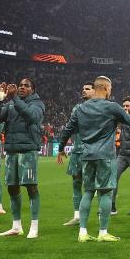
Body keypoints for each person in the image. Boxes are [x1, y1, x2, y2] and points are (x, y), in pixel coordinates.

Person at [58, 76, 130, 242]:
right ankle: (103, 232)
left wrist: (60, 148)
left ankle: (82, 232)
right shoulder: (112, 107)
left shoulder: (80, 108)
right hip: (105, 156)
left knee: (88, 191)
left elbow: (68, 129)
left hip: (86, 156)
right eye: (110, 89)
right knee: (105, 192)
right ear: (106, 88)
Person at [0, 78, 45, 239]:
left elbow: (31, 117)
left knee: (31, 187)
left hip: (28, 151)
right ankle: (16, 226)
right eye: (20, 85)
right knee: (12, 188)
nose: (22, 87)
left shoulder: (38, 104)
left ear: (32, 90)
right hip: (11, 150)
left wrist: (14, 97)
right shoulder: (10, 104)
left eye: (26, 86)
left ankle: (34, 227)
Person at [57, 82, 94, 226]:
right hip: (78, 152)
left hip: (94, 153)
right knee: (76, 183)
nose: (83, 90)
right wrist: (61, 147)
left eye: (87, 89)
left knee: (94, 186)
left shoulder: (102, 107)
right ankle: (77, 216)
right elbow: (69, 128)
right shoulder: (77, 108)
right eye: (83, 88)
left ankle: (101, 216)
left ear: (95, 91)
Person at [112, 97, 130, 216]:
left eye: (127, 105)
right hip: (123, 154)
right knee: (113, 177)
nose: (124, 108)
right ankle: (112, 207)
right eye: (123, 106)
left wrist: (125, 122)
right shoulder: (124, 117)